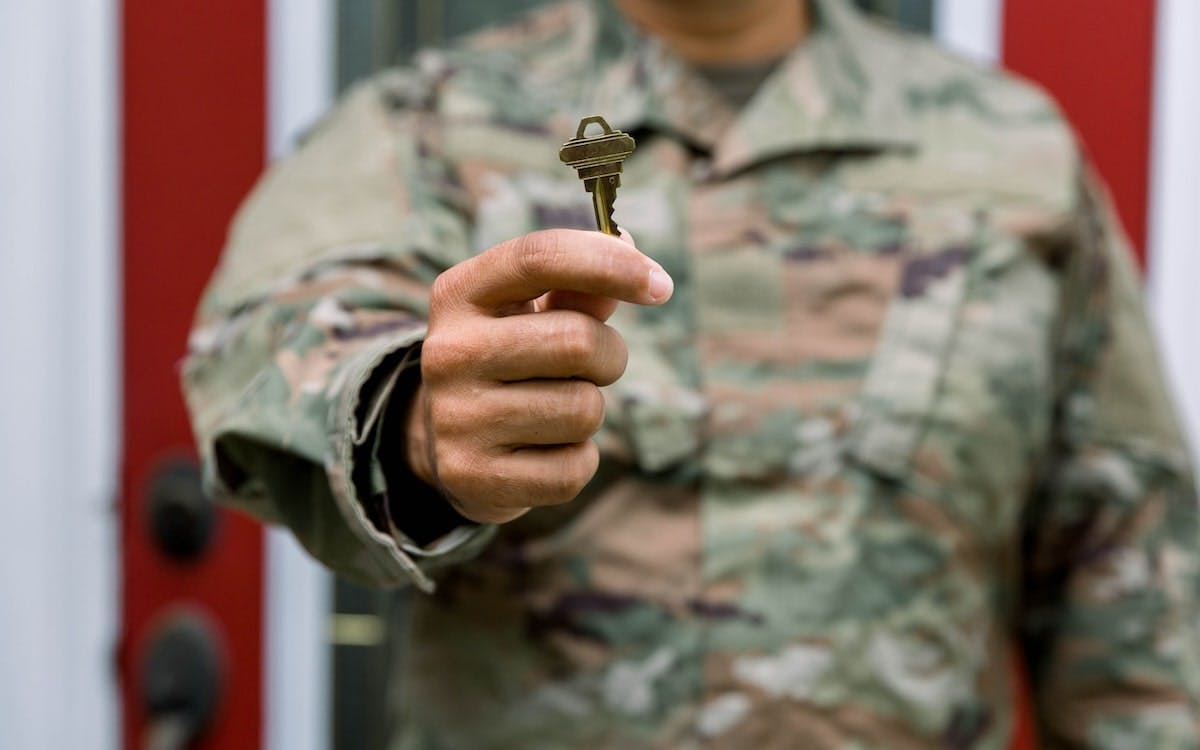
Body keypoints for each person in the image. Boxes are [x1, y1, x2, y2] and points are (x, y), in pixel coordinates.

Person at [183, 0, 1200, 746]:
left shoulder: (1011, 150)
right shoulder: (432, 124)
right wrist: (410, 426)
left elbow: (1130, 555)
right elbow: (276, 334)